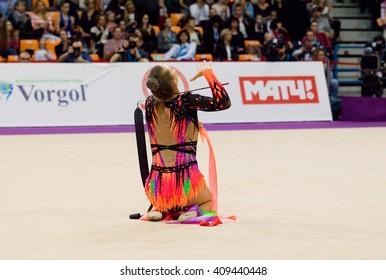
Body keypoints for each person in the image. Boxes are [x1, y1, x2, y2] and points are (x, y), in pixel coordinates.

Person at [144, 61, 231, 221]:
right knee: (208, 200)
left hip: (157, 188)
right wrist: (208, 74)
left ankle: (158, 209)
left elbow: (169, 120)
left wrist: (192, 125)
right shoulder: (187, 100)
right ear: (175, 81)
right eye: (171, 69)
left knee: (163, 193)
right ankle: (194, 210)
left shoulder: (150, 103)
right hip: (186, 186)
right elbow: (223, 102)